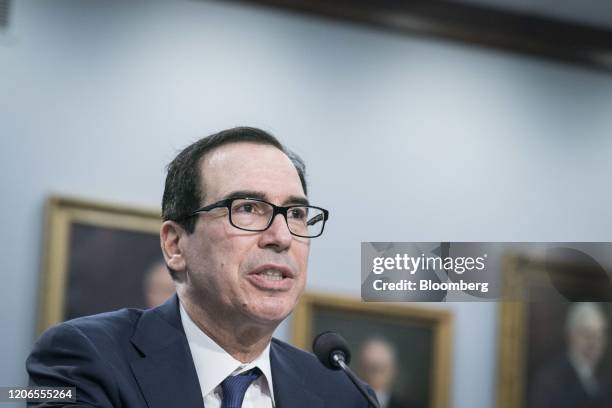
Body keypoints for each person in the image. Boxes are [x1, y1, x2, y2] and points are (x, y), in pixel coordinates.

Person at [27, 127, 375, 407]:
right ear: (175, 245)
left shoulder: (343, 395)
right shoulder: (84, 358)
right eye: (248, 208)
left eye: (296, 214)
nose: (281, 237)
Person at [528, 302, 611, 408]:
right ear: (570, 335)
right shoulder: (548, 382)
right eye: (587, 335)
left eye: (599, 336)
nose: (594, 344)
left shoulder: (603, 380)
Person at [359, 337, 416, 408]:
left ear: (392, 371)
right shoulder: (351, 403)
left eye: (379, 369)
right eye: (368, 368)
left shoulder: (407, 405)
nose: (372, 376)